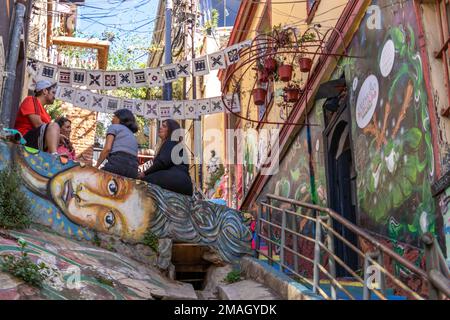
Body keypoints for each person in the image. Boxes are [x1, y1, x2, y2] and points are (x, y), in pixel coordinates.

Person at [140, 119, 193, 196]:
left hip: (175, 179)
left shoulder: (171, 142)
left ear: (171, 130)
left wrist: (144, 173)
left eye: (164, 126)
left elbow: (162, 162)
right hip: (185, 184)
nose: (160, 128)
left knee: (142, 183)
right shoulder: (177, 145)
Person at [14, 80, 65, 154]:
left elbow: (46, 130)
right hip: (23, 139)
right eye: (53, 92)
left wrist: (57, 136)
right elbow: (37, 124)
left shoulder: (45, 113)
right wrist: (54, 132)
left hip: (36, 142)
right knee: (54, 125)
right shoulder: (31, 100)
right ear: (45, 91)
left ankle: (54, 155)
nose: (55, 97)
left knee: (54, 127)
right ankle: (54, 156)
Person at [95, 109, 139, 179]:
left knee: (97, 180)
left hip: (117, 163)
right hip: (134, 169)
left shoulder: (114, 127)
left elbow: (107, 149)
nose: (111, 120)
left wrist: (96, 166)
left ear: (120, 118)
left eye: (114, 116)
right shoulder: (132, 134)